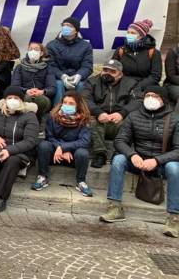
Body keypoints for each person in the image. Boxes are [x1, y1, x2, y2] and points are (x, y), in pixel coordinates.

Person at [99, 86, 179, 237]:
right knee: (118, 159)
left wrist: (156, 160)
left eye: (154, 96)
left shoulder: (175, 119)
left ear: (163, 99)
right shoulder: (134, 116)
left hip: (162, 164)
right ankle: (114, 207)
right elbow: (120, 140)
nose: (150, 98)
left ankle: (174, 217)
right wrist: (132, 155)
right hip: (138, 161)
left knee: (175, 168)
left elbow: (178, 149)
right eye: (147, 95)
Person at [0, 86, 40, 212]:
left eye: (16, 98)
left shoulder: (29, 116)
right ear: (5, 99)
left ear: (21, 101)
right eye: (9, 98)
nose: (12, 100)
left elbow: (30, 141)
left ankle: (1, 197)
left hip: (20, 154)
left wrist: (9, 151)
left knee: (12, 161)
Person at [32, 91, 93, 197]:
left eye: (71, 103)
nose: (67, 105)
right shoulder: (53, 116)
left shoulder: (84, 119)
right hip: (55, 154)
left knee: (83, 153)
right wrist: (60, 148)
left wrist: (64, 148)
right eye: (65, 102)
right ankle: (42, 176)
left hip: (73, 156)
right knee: (44, 145)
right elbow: (50, 137)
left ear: (78, 105)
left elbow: (84, 141)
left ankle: (81, 181)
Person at [82, 59, 139, 168]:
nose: (107, 73)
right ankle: (100, 154)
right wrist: (98, 112)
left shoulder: (131, 83)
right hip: (99, 120)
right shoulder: (92, 81)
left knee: (131, 122)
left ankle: (118, 153)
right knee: (91, 120)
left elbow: (138, 101)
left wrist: (122, 113)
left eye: (112, 71)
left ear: (120, 74)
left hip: (119, 121)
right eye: (105, 70)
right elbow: (84, 99)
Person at [46, 17, 93, 104]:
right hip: (58, 78)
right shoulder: (51, 45)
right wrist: (62, 76)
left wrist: (79, 76)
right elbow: (50, 65)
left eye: (69, 26)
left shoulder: (86, 46)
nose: (65, 27)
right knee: (59, 85)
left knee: (81, 86)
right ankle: (57, 112)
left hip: (78, 78)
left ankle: (80, 112)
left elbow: (87, 66)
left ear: (76, 30)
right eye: (64, 25)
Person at [111, 18, 161, 95]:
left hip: (144, 87)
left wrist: (137, 86)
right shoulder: (121, 50)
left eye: (133, 33)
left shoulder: (153, 52)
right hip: (123, 85)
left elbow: (155, 76)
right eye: (128, 32)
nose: (129, 35)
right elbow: (113, 69)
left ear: (141, 36)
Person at [10, 42, 56, 121]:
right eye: (31, 49)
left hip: (42, 96)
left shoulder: (47, 68)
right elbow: (14, 86)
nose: (33, 51)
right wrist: (26, 91)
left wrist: (42, 92)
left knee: (39, 100)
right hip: (24, 95)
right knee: (28, 99)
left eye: (36, 49)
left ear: (41, 53)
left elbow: (52, 88)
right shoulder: (20, 67)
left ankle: (37, 121)